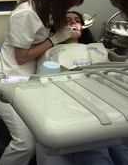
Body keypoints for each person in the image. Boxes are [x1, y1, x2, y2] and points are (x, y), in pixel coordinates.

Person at [0, 0, 84, 165]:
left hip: (32, 79)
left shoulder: (46, 10)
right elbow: (21, 57)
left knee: (48, 129)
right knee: (25, 144)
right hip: (9, 78)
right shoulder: (26, 14)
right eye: (67, 4)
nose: (68, 9)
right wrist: (55, 39)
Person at [37, 11, 128, 165]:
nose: (73, 23)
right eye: (67, 20)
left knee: (120, 149)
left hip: (103, 103)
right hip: (73, 105)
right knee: (97, 152)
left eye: (77, 20)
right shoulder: (50, 52)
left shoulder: (98, 49)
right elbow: (42, 85)